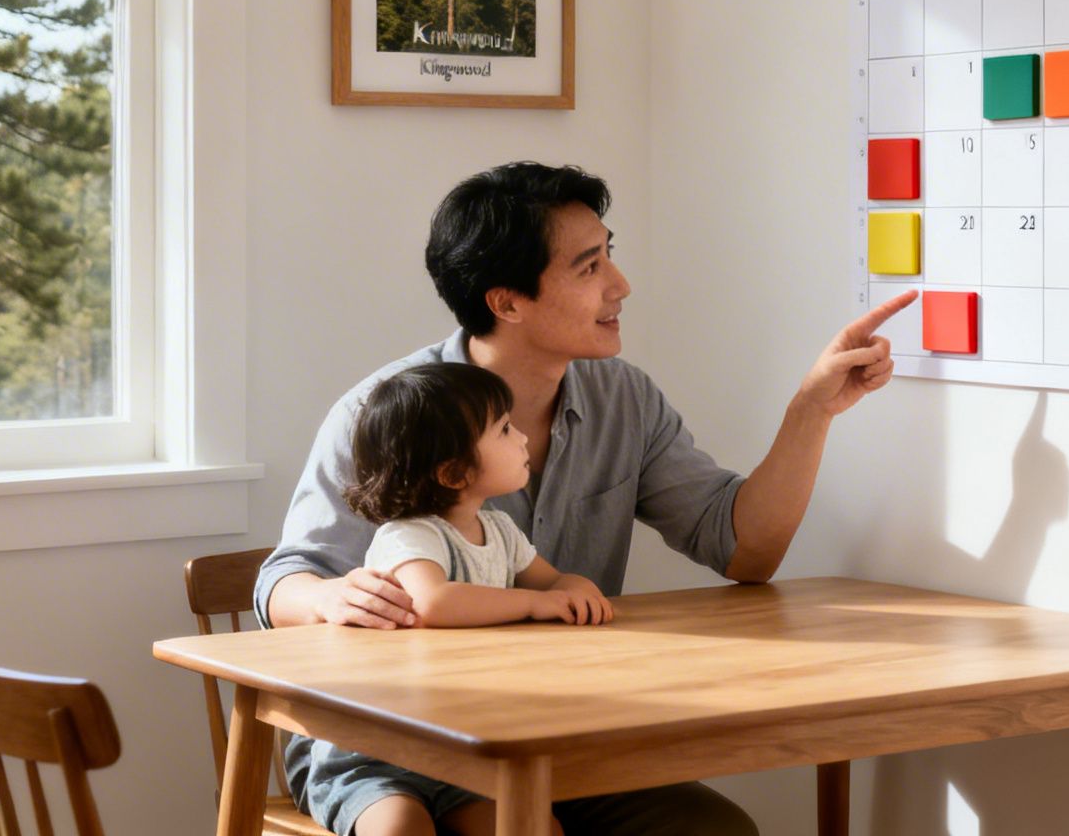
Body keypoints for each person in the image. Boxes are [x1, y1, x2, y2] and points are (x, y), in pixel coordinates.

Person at [257, 161, 916, 836]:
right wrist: (330, 598)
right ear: (507, 301)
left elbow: (744, 548)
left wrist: (811, 411)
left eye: (610, 255)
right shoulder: (384, 412)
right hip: (387, 747)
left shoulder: (622, 398)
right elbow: (282, 583)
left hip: (561, 738)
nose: (620, 285)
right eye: (588, 266)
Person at [348, 362, 615, 633]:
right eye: (505, 429)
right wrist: (533, 603)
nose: (522, 438)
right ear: (454, 473)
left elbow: (553, 581)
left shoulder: (500, 530)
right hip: (423, 672)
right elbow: (431, 602)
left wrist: (577, 590)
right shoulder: (409, 535)